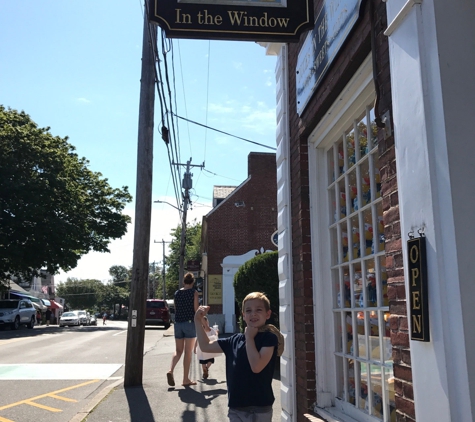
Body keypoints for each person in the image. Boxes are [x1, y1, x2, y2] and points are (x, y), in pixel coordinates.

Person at [194, 292, 284, 422]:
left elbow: (256, 366)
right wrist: (197, 321)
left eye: (258, 310)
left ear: (267, 314)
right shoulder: (234, 340)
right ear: (243, 315)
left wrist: (249, 337)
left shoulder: (269, 338)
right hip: (236, 408)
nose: (253, 313)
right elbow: (205, 346)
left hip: (259, 408)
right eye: (248, 310)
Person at [167, 272, 199, 387]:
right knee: (188, 352)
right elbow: (196, 309)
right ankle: (185, 379)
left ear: (183, 282)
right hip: (189, 323)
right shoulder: (194, 293)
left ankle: (170, 370)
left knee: (178, 351)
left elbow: (176, 309)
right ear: (193, 282)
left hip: (178, 323)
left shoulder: (177, 293)